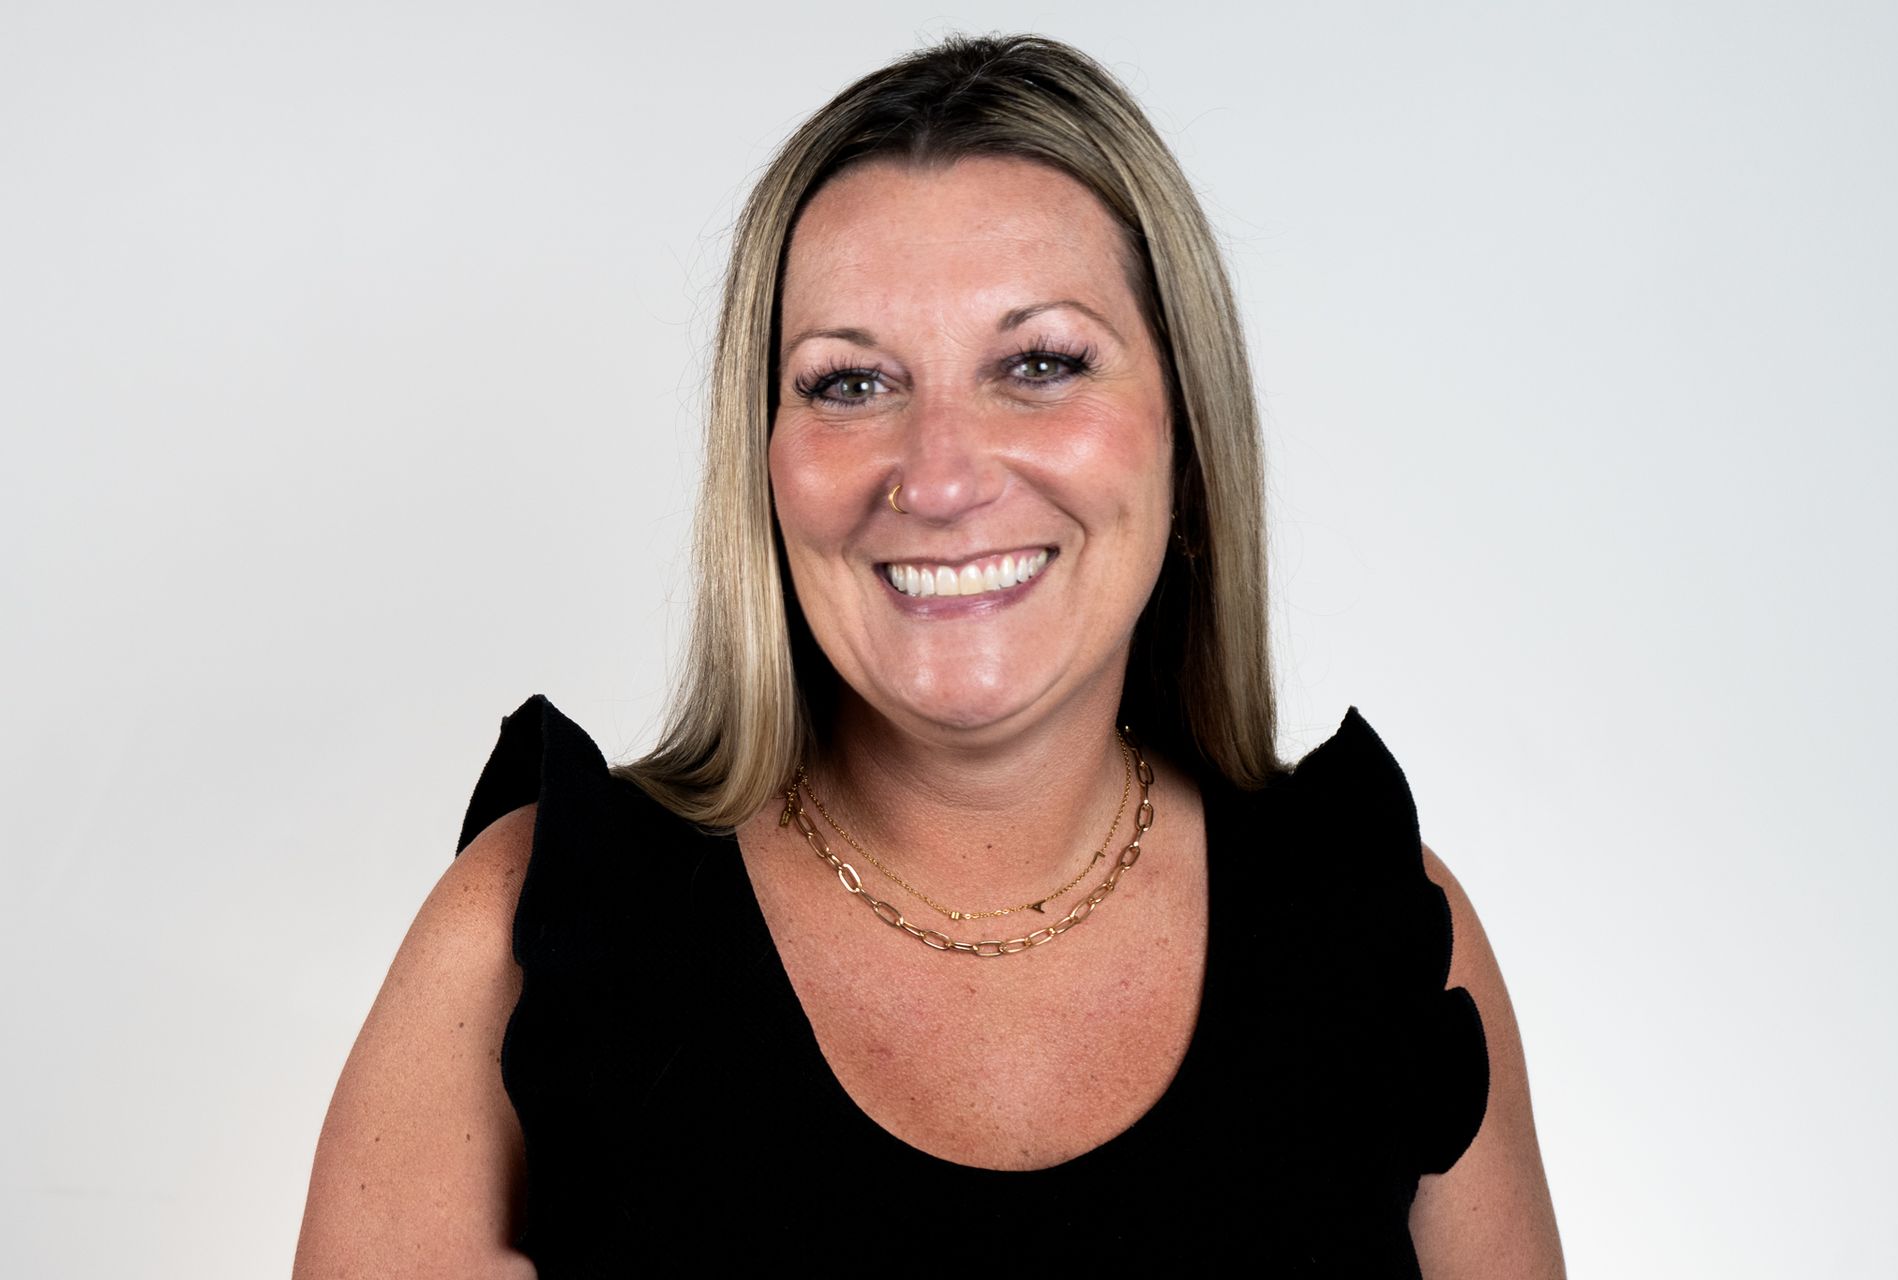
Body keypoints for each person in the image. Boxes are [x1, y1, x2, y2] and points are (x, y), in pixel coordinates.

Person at [294, 32, 1564, 1277]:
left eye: (1042, 363)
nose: (942, 475)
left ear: (1184, 429)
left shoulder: (1382, 935)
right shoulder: (528, 942)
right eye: (851, 383)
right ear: (765, 457)